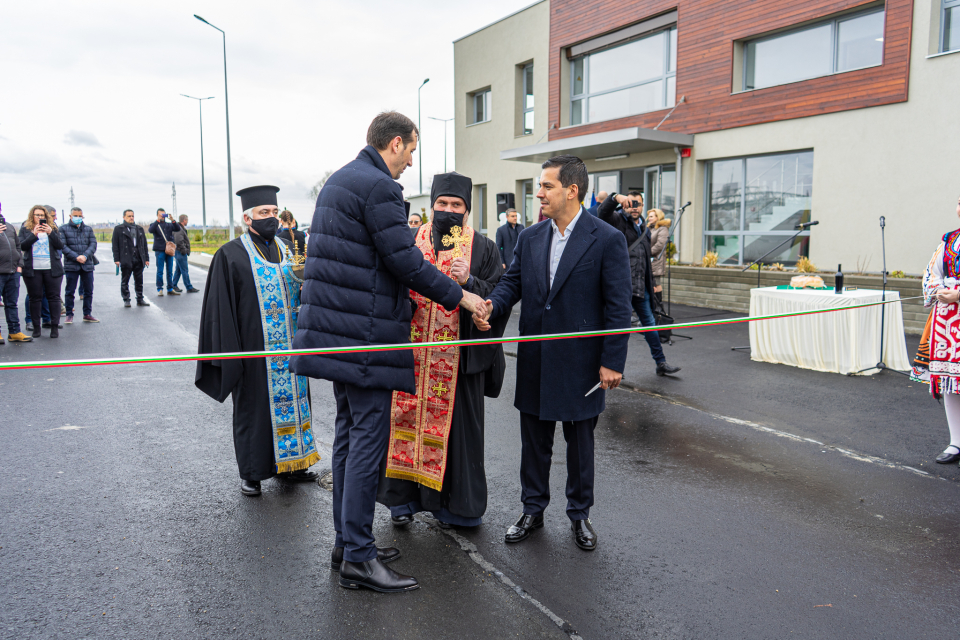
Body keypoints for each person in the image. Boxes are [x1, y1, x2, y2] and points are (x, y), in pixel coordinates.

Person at [289, 112, 487, 593]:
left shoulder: (341, 180)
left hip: (337, 334)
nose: (411, 161)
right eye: (412, 150)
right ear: (395, 144)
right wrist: (462, 296)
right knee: (365, 446)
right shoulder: (378, 186)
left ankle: (346, 541)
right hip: (366, 338)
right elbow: (403, 260)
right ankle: (358, 558)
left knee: (347, 437)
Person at [473, 154, 632, 552]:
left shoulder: (607, 239)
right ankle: (533, 509)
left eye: (546, 186)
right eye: (540, 186)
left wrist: (612, 361)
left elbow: (618, 307)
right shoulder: (530, 237)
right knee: (534, 444)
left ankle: (580, 515)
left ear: (571, 191)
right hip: (536, 361)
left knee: (580, 447)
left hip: (582, 365)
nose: (539, 193)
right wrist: (491, 306)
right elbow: (512, 285)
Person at [377, 172, 508, 530]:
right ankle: (401, 500)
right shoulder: (409, 241)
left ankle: (456, 507)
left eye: (456, 205)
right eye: (442, 204)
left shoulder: (483, 248)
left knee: (459, 437)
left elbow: (499, 296)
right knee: (401, 426)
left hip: (457, 363)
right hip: (411, 358)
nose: (448, 210)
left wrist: (471, 283)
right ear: (431, 206)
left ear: (466, 210)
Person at [196, 185, 320, 498]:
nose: (271, 218)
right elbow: (220, 308)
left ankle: (294, 465)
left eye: (274, 213)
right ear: (247, 218)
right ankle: (252, 473)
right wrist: (231, 351)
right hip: (254, 348)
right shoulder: (230, 254)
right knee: (254, 411)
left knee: (295, 404)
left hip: (291, 348)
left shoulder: (287, 249)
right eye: (264, 213)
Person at [598, 192, 680, 377]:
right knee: (619, 329)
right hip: (620, 288)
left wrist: (651, 286)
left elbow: (645, 260)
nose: (635, 207)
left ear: (643, 206)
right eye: (631, 203)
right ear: (625, 204)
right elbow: (602, 213)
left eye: (638, 204)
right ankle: (612, 366)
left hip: (641, 288)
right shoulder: (617, 221)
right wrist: (615, 198)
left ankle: (661, 363)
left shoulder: (645, 227)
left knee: (650, 326)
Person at [923, 194, 960, 466]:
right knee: (950, 383)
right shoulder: (949, 241)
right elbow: (931, 272)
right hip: (947, 320)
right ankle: (956, 442)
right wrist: (938, 290)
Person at [19, 205, 64, 338]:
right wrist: (34, 234)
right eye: (37, 215)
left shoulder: (53, 228)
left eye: (42, 215)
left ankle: (54, 327)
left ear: (46, 217)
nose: (40, 217)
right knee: (35, 298)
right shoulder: (26, 229)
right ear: (32, 216)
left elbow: (60, 245)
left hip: (52, 268)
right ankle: (36, 327)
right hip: (33, 269)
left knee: (54, 298)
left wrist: (50, 233)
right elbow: (22, 246)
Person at [60, 207, 98, 323]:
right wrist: (76, 257)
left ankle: (87, 313)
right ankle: (69, 314)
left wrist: (85, 256)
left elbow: (93, 244)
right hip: (72, 264)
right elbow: (63, 246)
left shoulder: (88, 229)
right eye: (75, 216)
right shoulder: (63, 229)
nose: (78, 218)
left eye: (80, 216)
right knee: (70, 291)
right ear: (70, 216)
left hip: (87, 264)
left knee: (88, 290)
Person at [0, 202, 31, 343]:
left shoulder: (10, 227)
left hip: (12, 272)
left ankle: (14, 332)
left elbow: (18, 246)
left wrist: (19, 265)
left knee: (12, 303)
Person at [112, 210, 151, 307]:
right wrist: (116, 259)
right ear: (124, 217)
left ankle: (140, 299)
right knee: (125, 280)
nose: (131, 218)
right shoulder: (119, 229)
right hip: (126, 258)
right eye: (129, 216)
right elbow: (115, 245)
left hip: (138, 258)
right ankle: (126, 299)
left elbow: (144, 245)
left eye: (133, 216)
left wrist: (146, 258)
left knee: (139, 280)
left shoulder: (139, 229)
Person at [148, 208, 181, 296]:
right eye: (160, 214)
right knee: (160, 271)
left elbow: (178, 228)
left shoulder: (169, 225)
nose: (162, 216)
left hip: (169, 250)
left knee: (170, 271)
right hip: (159, 250)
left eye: (164, 214)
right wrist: (158, 220)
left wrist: (172, 220)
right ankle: (160, 289)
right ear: (157, 215)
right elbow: (150, 230)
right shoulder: (155, 224)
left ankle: (170, 288)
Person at [647, 208, 670, 305]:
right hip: (649, 259)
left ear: (658, 217)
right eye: (649, 216)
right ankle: (653, 305)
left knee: (656, 282)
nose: (649, 218)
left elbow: (660, 244)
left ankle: (658, 305)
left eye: (651, 216)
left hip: (656, 260)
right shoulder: (650, 228)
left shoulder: (662, 229)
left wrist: (647, 252)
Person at [171, 214, 200, 294]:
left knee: (179, 270)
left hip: (179, 252)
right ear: (184, 220)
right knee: (184, 270)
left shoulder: (179, 228)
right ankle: (189, 287)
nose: (187, 221)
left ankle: (173, 285)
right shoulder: (179, 229)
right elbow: (179, 241)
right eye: (187, 220)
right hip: (180, 252)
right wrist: (184, 250)